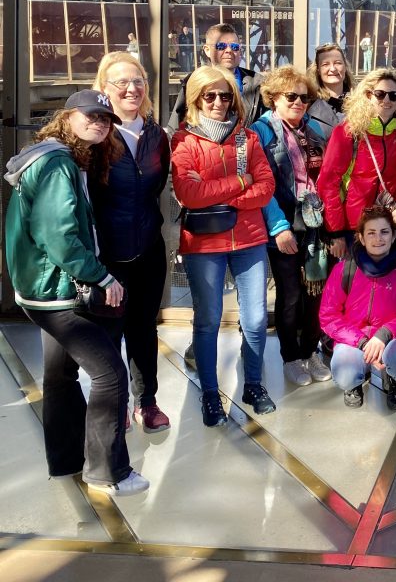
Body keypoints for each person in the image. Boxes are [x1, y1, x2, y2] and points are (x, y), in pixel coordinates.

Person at [4, 90, 148, 496]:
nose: (100, 123)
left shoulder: (48, 156)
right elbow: (59, 236)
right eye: (91, 116)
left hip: (36, 289)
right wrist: (102, 277)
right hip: (56, 292)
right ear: (67, 117)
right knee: (110, 374)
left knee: (61, 376)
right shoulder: (57, 165)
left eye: (106, 119)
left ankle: (67, 460)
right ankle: (110, 472)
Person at [171, 66, 277, 426]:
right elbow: (188, 192)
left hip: (249, 238)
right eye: (209, 96)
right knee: (208, 320)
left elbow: (265, 188)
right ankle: (211, 394)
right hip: (204, 244)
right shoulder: (183, 142)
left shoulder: (247, 138)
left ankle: (253, 384)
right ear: (196, 99)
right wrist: (239, 181)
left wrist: (221, 195)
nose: (218, 102)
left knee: (256, 319)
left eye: (226, 95)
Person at [90, 52, 171, 433]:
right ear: (103, 89)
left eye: (137, 81)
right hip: (109, 254)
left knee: (144, 329)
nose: (131, 89)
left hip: (149, 251)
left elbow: (158, 189)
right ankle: (116, 402)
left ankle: (147, 402)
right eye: (120, 82)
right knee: (110, 333)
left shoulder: (157, 136)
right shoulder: (97, 137)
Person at [252, 65, 333, 388]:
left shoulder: (314, 129)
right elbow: (263, 184)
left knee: (316, 292)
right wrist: (279, 227)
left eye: (304, 97)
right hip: (284, 226)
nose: (298, 102)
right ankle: (290, 356)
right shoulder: (262, 131)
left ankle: (310, 350)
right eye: (291, 96)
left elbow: (327, 176)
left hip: (315, 226)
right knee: (289, 295)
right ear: (274, 98)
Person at [319, 206, 396, 410]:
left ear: (394, 235)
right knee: (344, 374)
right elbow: (328, 316)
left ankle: (395, 380)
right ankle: (355, 382)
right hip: (354, 337)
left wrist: (385, 334)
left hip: (391, 337)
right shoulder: (344, 269)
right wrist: (362, 342)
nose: (378, 239)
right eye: (371, 233)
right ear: (360, 237)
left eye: (384, 232)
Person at [318, 69, 396, 261]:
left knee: (385, 285)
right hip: (353, 228)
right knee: (354, 285)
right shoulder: (348, 131)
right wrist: (336, 233)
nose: (387, 100)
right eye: (380, 94)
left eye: (394, 95)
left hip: (387, 226)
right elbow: (328, 183)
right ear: (368, 95)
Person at [167, 23, 263, 132]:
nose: (229, 50)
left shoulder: (258, 84)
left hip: (248, 147)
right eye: (221, 46)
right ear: (207, 50)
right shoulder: (192, 83)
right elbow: (174, 128)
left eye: (234, 47)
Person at [306, 42, 353, 138]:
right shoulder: (306, 105)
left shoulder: (361, 103)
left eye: (338, 63)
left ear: (345, 67)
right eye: (325, 64)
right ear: (318, 70)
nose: (332, 69)